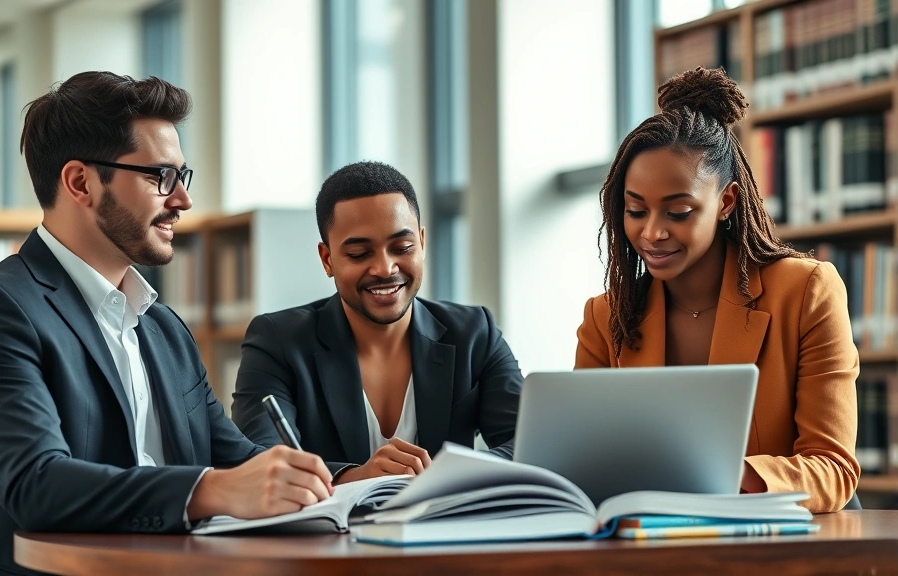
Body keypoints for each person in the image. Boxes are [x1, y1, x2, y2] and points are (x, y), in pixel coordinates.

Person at [0, 72, 333, 576]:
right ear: (81, 182)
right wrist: (209, 490)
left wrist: (353, 480)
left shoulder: (163, 328)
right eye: (160, 177)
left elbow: (240, 463)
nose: (182, 201)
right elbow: (36, 485)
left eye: (183, 177)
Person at [575, 67, 859, 513]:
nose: (652, 232)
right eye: (635, 210)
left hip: (777, 544)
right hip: (655, 544)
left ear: (725, 202)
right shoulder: (604, 317)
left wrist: (727, 473)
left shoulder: (806, 292)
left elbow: (833, 467)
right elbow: (582, 459)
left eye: (679, 212)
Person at [231, 161, 523, 483]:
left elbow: (527, 443)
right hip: (327, 532)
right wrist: (355, 476)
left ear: (422, 244)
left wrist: (447, 474)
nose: (385, 268)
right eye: (358, 254)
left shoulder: (474, 332)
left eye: (402, 247)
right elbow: (257, 461)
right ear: (327, 260)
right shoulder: (277, 341)